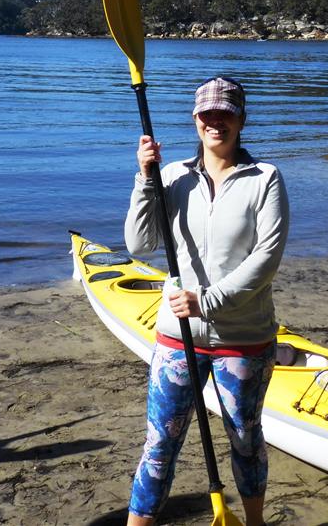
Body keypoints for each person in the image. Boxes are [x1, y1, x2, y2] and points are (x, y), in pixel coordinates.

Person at [124, 76, 289, 526]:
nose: (216, 122)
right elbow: (140, 245)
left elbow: (266, 258)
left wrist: (207, 300)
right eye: (207, 114)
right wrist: (145, 178)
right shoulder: (173, 177)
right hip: (177, 337)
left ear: (241, 119)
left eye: (226, 113)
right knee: (159, 444)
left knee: (245, 439)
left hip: (244, 339)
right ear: (195, 120)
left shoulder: (265, 178)